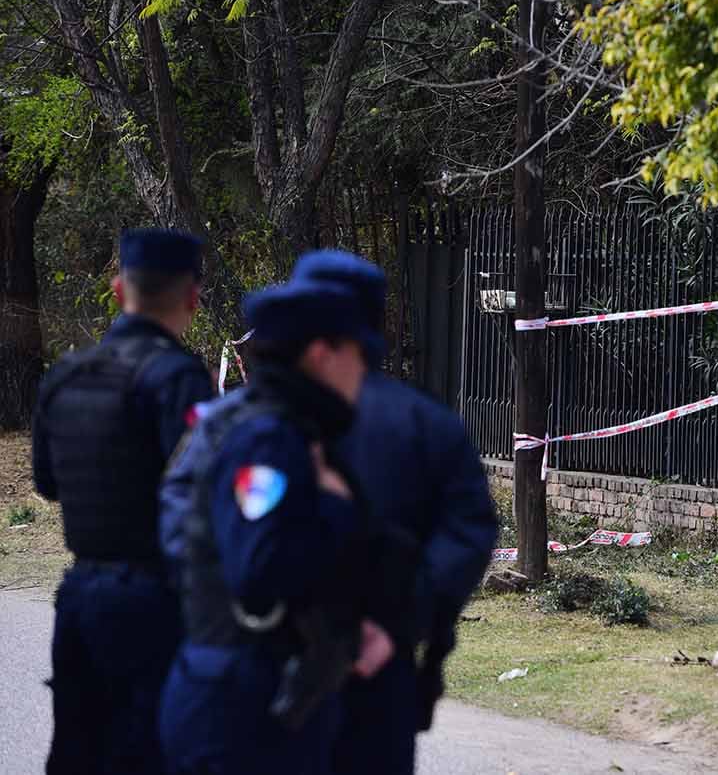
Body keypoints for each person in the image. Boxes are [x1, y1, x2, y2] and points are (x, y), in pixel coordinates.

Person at [157, 277, 394, 775]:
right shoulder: (268, 439)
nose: (365, 370)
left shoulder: (267, 425)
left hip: (255, 692)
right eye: (359, 353)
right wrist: (334, 504)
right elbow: (261, 570)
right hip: (246, 707)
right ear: (321, 355)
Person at [291, 250, 497, 775]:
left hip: (273, 665)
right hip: (381, 672)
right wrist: (397, 622)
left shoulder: (248, 418)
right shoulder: (429, 424)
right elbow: (470, 533)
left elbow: (189, 526)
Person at [31, 228, 214, 775]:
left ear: (117, 290)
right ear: (193, 298)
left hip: (81, 597)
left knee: (78, 752)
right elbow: (203, 492)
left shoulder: (65, 375)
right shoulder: (178, 379)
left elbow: (47, 483)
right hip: (158, 602)